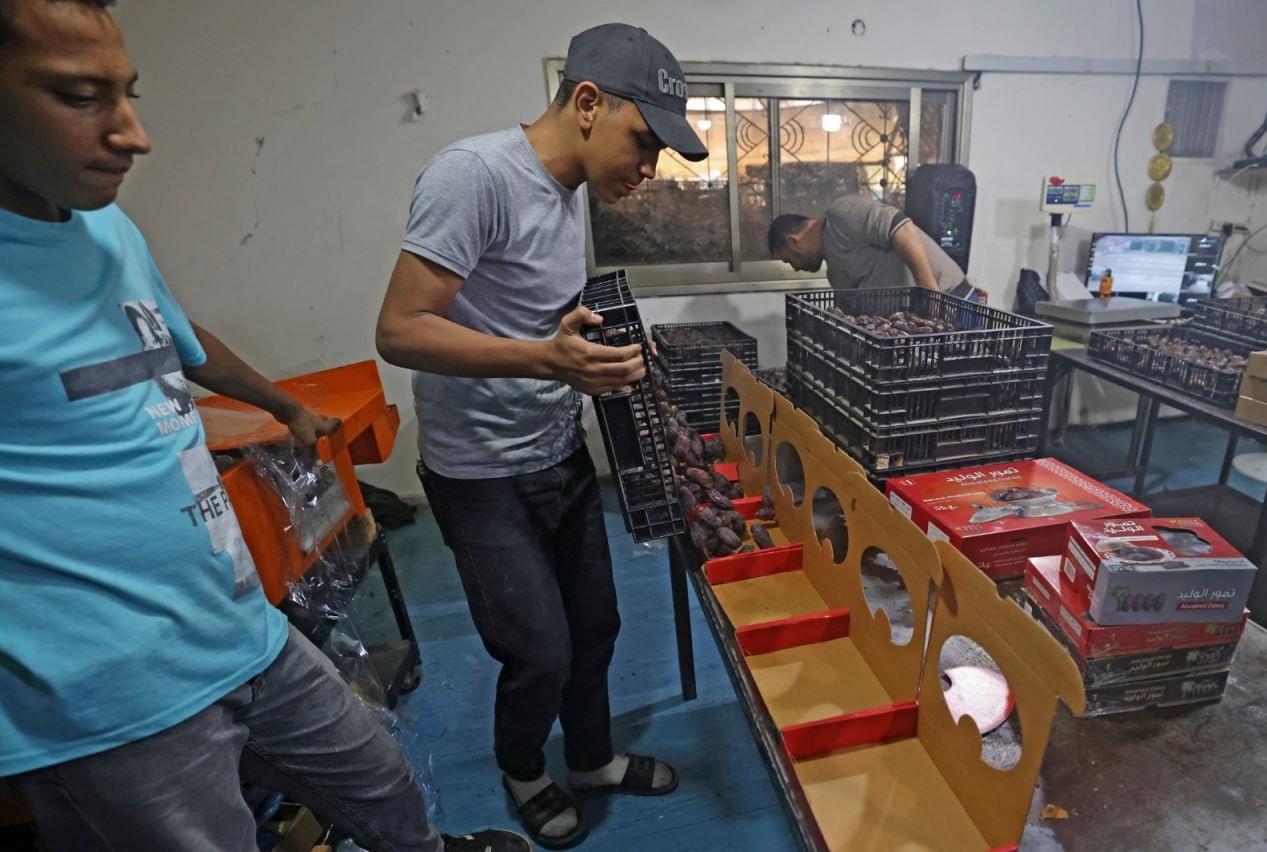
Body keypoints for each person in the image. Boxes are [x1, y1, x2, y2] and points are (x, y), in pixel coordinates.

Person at [0, 2, 529, 850]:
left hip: (234, 624)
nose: (134, 135)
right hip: (111, 698)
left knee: (381, 784)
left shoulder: (104, 227)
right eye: (78, 97)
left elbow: (174, 336)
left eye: (127, 94)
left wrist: (282, 406)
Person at [375, 22, 706, 851]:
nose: (649, 167)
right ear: (588, 102)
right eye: (645, 141)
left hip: (557, 454)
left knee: (596, 626)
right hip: (479, 474)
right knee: (540, 651)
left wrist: (599, 347)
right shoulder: (473, 175)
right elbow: (400, 329)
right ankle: (523, 770)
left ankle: (590, 760)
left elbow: (532, 316)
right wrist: (545, 359)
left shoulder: (565, 194)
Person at [769, 192, 976, 296]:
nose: (795, 267)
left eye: (788, 260)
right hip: (917, 329)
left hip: (952, 301)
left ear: (793, 241)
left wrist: (931, 294)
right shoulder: (835, 274)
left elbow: (903, 229)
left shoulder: (841, 215)